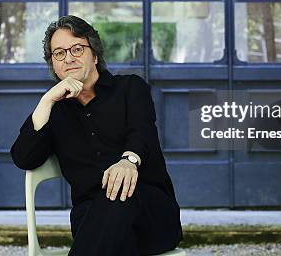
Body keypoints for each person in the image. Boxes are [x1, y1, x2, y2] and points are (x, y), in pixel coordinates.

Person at [10, 15, 183, 256]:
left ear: (95, 53)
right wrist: (46, 100)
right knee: (114, 238)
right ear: (53, 64)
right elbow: (24, 158)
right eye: (59, 53)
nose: (68, 58)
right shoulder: (54, 111)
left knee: (120, 192)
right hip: (92, 221)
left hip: (151, 215)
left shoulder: (130, 88)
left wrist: (128, 161)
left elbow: (142, 131)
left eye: (77, 49)